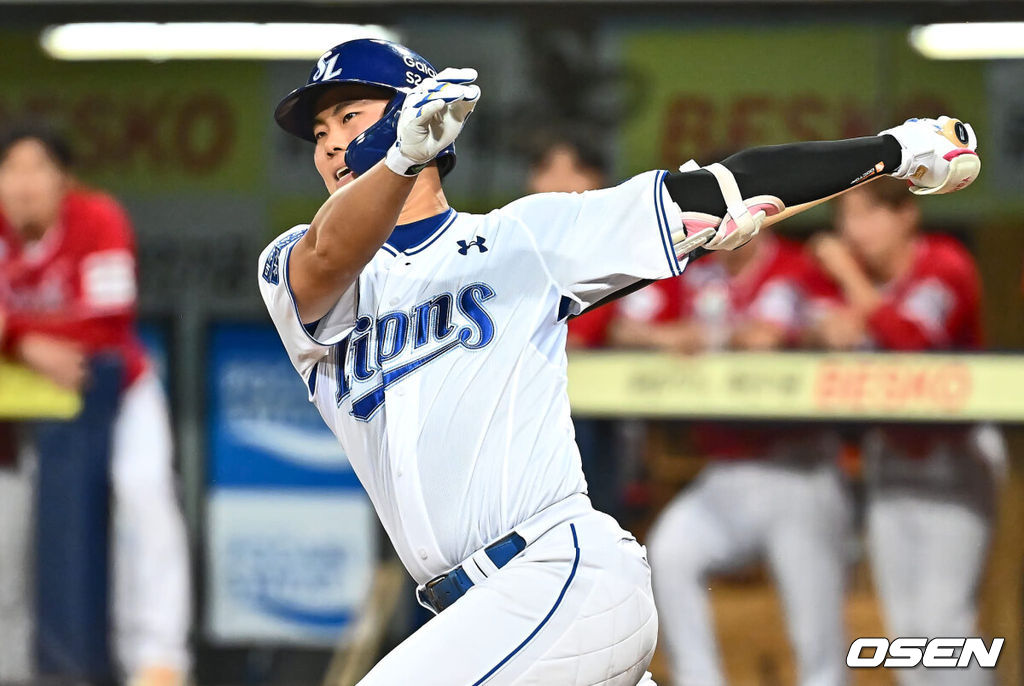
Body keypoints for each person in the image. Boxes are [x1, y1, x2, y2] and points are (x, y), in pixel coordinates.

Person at [259, 36, 978, 685]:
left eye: (349, 116)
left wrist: (895, 147)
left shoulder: (527, 236)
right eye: (318, 133)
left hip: (557, 574)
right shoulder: (290, 265)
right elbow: (327, 257)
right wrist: (394, 154)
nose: (327, 146)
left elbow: (725, 194)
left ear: (421, 115)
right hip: (477, 619)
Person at [610, 232, 852, 686]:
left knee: (814, 629)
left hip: (800, 469)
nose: (719, 230)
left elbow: (772, 337)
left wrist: (712, 336)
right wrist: (672, 336)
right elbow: (623, 326)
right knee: (670, 553)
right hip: (726, 470)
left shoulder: (796, 264)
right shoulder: (695, 268)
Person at [0, 125, 191, 686]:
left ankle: (159, 658)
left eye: (37, 169)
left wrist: (9, 330)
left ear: (63, 179)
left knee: (143, 491)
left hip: (115, 392)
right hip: (18, 410)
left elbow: (107, 320)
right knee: (12, 531)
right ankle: (14, 667)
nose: (23, 183)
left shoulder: (96, 217)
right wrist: (29, 342)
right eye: (10, 169)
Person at [809, 177, 1004, 686]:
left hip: (955, 454)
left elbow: (913, 340)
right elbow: (810, 329)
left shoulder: (945, 263)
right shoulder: (846, 281)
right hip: (890, 454)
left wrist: (851, 284)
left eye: (868, 214)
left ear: (906, 216)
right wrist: (822, 326)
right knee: (905, 635)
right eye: (846, 217)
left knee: (945, 626)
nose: (854, 230)